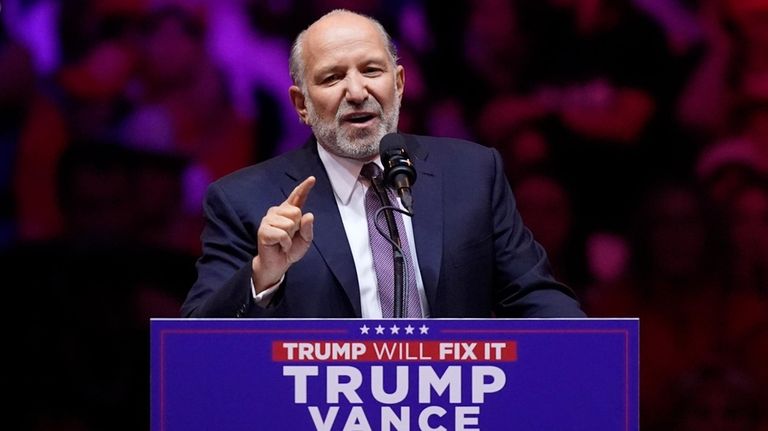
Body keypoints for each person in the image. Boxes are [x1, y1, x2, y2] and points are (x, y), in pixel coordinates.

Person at [181, 9, 585, 319]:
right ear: (301, 105)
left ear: (400, 84)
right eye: (332, 78)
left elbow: (533, 296)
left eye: (371, 70)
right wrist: (262, 275)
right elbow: (196, 345)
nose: (357, 91)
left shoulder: (472, 173)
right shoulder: (244, 200)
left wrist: (594, 354)